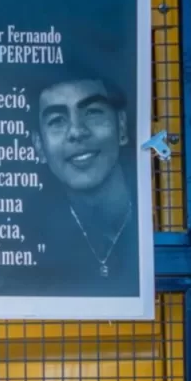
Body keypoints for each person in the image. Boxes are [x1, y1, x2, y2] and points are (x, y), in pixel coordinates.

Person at [29, 63, 140, 294]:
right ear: (39, 146)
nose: (77, 131)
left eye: (92, 112)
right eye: (57, 120)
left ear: (121, 126)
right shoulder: (32, 239)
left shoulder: (157, 215)